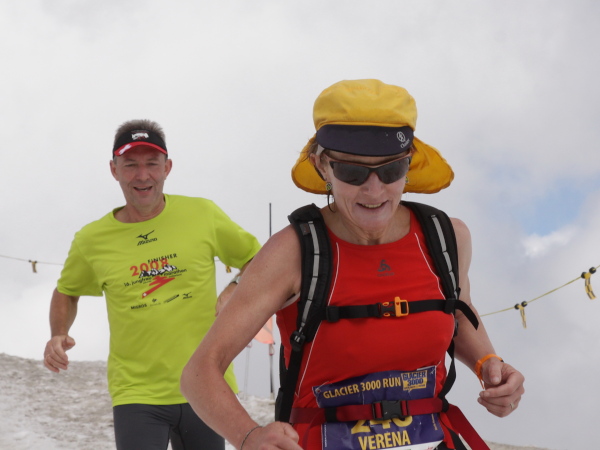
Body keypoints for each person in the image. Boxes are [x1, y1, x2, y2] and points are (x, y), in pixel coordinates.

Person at [180, 79, 525, 450]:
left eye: (391, 170)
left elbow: (457, 312)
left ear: (409, 163)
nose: (374, 190)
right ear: (322, 166)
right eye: (352, 172)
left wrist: (488, 363)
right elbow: (199, 372)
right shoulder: (293, 252)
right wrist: (248, 436)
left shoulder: (446, 238)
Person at [43, 119, 261, 450]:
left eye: (152, 164)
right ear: (114, 170)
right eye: (130, 165)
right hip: (136, 393)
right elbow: (66, 291)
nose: (142, 175)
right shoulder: (91, 240)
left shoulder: (202, 214)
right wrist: (58, 333)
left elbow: (259, 259)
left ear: (167, 168)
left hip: (205, 383)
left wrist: (236, 286)